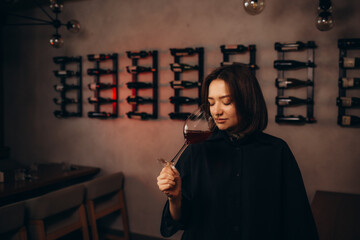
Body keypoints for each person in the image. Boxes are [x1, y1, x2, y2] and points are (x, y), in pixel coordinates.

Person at [157, 63, 318, 240]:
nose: (216, 111)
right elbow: (180, 222)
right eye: (211, 103)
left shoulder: (277, 151)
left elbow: (298, 221)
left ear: (247, 100)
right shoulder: (197, 151)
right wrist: (175, 198)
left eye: (226, 101)